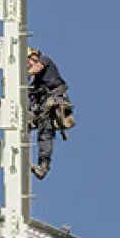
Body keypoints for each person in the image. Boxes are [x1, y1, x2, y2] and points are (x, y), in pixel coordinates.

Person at [27, 49, 73, 180]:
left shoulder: (45, 60)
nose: (29, 63)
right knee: (29, 121)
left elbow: (36, 68)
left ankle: (43, 166)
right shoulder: (35, 83)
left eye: (29, 60)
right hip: (44, 106)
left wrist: (20, 77)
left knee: (45, 132)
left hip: (53, 102)